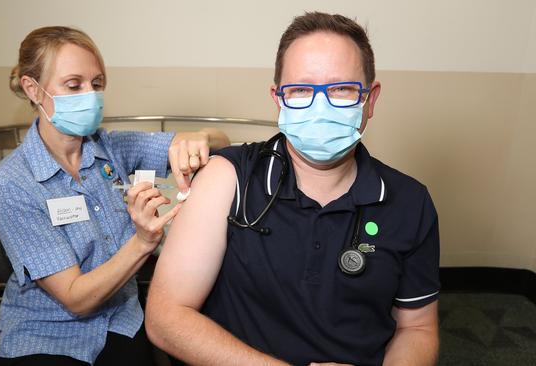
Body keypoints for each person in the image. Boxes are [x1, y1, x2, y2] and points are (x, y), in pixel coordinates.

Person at [146, 12, 440, 366]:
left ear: (370, 99)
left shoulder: (410, 202)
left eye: (341, 89)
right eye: (301, 89)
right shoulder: (229, 177)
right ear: (278, 98)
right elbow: (166, 318)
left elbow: (418, 329)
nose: (320, 106)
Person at [0, 26, 229, 366]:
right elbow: (76, 299)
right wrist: (143, 241)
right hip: (44, 334)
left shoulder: (111, 149)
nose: (90, 95)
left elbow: (220, 141)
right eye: (74, 85)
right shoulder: (12, 183)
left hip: (121, 321)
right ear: (33, 89)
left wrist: (200, 137)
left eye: (97, 84)